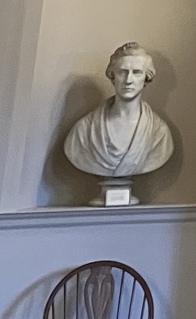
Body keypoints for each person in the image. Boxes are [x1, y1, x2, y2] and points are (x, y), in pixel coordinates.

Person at [64, 42, 174, 201]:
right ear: (113, 76)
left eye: (137, 72)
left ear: (146, 77)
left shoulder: (158, 133)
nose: (128, 80)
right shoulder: (84, 131)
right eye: (122, 72)